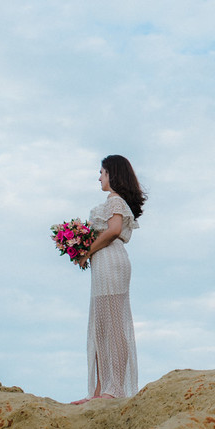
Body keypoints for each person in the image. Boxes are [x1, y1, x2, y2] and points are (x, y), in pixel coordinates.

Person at [74, 154, 146, 402]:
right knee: (102, 324)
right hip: (104, 263)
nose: (99, 178)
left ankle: (114, 388)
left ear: (112, 174)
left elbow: (114, 230)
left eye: (102, 173)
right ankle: (99, 389)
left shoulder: (115, 200)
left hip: (111, 261)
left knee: (113, 324)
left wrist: (87, 252)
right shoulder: (113, 200)